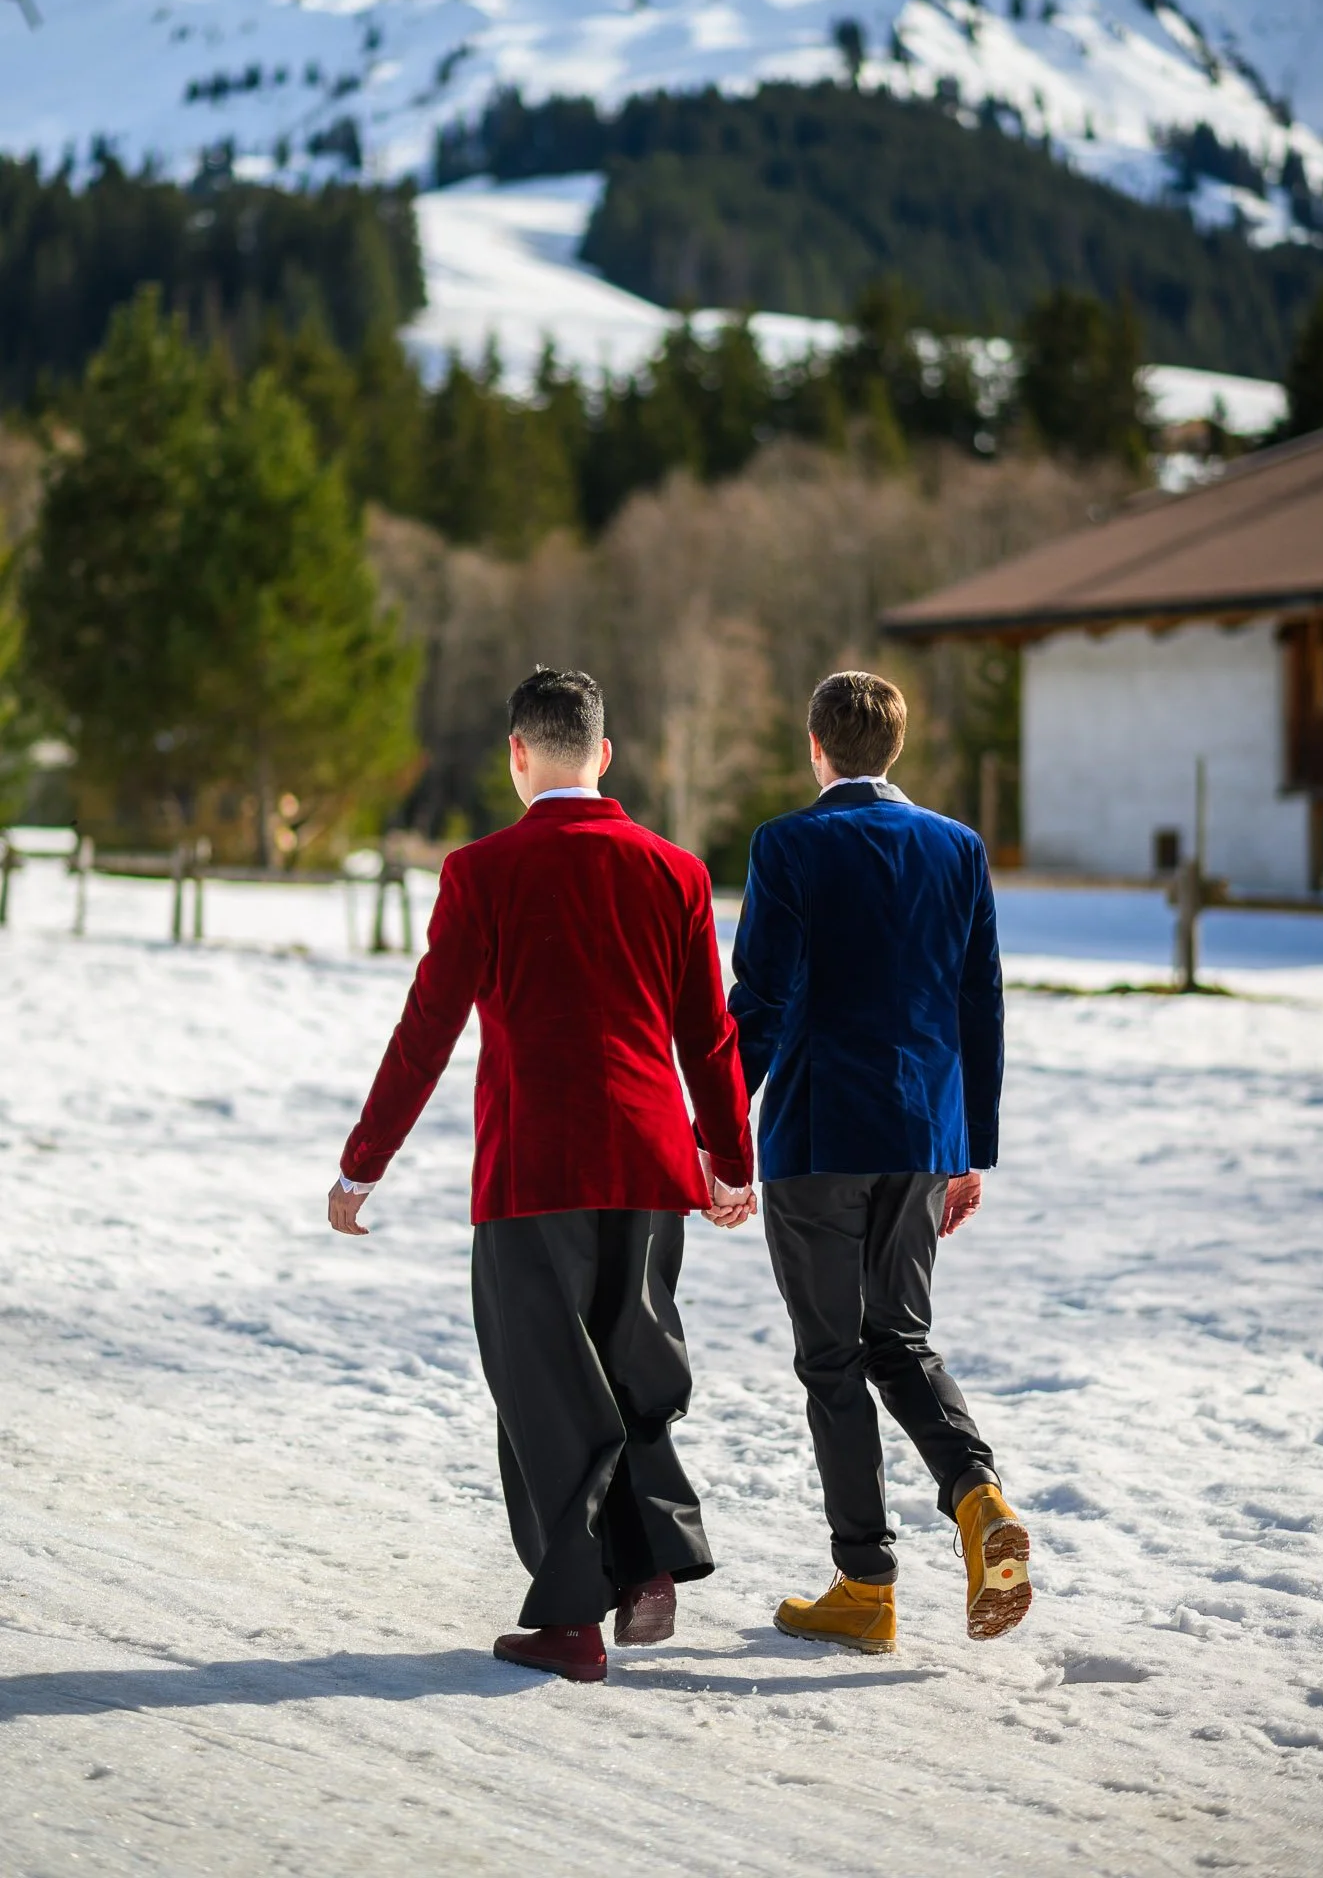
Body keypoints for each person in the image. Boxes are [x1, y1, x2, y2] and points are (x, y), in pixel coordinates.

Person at [328, 668, 756, 1684]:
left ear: (517, 756)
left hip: (534, 1167)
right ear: (602, 755)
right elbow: (710, 1030)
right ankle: (647, 1559)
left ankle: (570, 1620)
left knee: (545, 1388)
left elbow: (428, 1026)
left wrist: (362, 1161)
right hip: (651, 1164)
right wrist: (729, 1159)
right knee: (635, 1368)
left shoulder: (484, 869)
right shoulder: (676, 871)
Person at [729, 670, 1029, 1652]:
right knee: (899, 1335)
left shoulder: (787, 844)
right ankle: (979, 1500)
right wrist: (967, 1148)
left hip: (818, 1131)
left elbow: (762, 999)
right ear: (891, 748)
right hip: (920, 1133)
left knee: (831, 1355)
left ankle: (864, 1584)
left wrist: (720, 1122)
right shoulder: (956, 846)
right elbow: (979, 1002)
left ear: (816, 744)